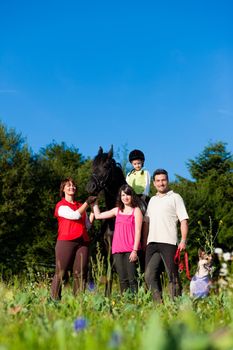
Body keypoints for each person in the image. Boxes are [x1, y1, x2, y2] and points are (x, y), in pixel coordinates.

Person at [143, 169, 189, 303]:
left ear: (167, 181)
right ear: (154, 183)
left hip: (169, 242)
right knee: (149, 276)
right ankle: (159, 305)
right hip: (152, 243)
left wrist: (183, 240)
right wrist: (145, 241)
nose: (161, 183)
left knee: (173, 276)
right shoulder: (152, 200)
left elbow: (184, 220)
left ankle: (176, 306)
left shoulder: (176, 197)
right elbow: (147, 222)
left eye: (163, 180)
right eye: (158, 180)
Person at [50, 178, 96, 300]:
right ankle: (54, 300)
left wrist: (93, 209)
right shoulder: (60, 206)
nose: (72, 187)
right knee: (61, 272)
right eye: (68, 185)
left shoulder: (81, 205)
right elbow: (74, 215)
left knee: (81, 273)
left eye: (74, 185)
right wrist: (87, 203)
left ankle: (78, 301)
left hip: (83, 242)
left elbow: (87, 225)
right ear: (63, 189)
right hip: (66, 241)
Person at [93, 184, 143, 294]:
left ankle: (135, 303)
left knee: (132, 279)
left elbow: (138, 231)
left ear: (132, 196)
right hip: (117, 250)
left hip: (131, 250)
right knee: (122, 279)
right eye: (123, 195)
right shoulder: (117, 211)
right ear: (120, 197)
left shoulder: (136, 211)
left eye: (128, 194)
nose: (125, 197)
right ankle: (125, 302)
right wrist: (95, 202)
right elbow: (98, 216)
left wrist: (135, 250)